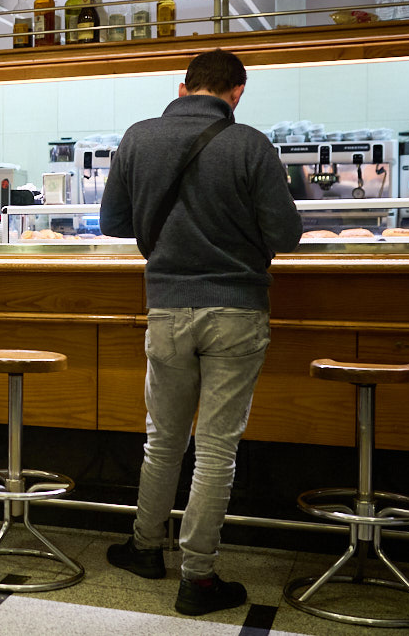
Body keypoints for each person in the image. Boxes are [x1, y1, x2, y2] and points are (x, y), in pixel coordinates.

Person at [99, 49, 303, 616]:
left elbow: (112, 222)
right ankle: (198, 577)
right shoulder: (251, 144)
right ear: (237, 92)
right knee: (216, 449)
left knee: (162, 439)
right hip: (237, 312)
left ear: (183, 87)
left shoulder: (138, 137)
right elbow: (286, 235)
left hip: (166, 308)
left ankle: (144, 547)